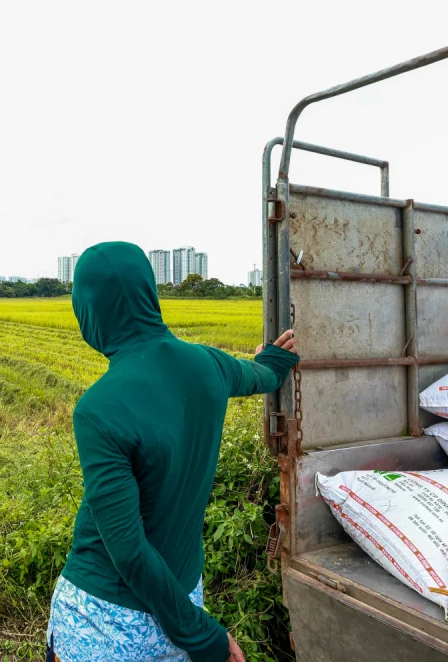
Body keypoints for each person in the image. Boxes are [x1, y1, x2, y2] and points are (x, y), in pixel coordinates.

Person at [46, 242, 299, 662]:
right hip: (183, 598)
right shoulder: (210, 365)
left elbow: (128, 551)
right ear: (149, 293)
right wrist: (275, 359)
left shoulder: (98, 408)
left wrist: (204, 635)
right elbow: (263, 375)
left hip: (103, 622)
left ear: (89, 309)